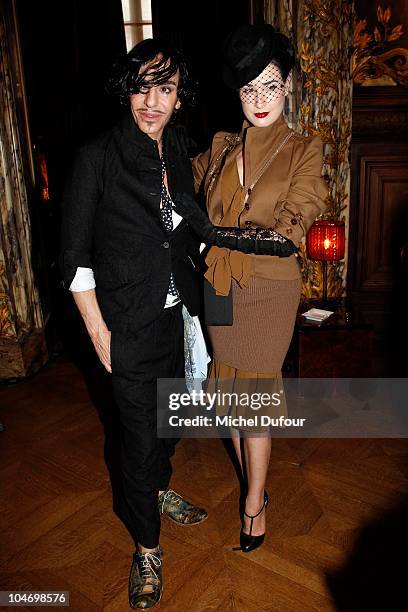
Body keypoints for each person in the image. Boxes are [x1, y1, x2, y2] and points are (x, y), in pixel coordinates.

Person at [60, 37, 301, 609]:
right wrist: (99, 333)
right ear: (127, 90)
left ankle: (161, 488)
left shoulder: (178, 150)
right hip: (126, 325)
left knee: (169, 425)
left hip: (181, 318)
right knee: (138, 438)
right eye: (142, 87)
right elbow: (72, 258)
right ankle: (147, 547)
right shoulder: (96, 157)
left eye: (164, 89)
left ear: (177, 97)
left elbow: (193, 220)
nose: (151, 101)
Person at [173, 24, 328, 554]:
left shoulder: (304, 149)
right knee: (230, 389)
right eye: (247, 89)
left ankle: (253, 504)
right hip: (217, 282)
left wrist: (219, 231)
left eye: (268, 85)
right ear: (236, 93)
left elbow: (293, 223)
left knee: (253, 396)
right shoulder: (220, 147)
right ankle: (253, 484)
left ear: (287, 85)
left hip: (267, 288)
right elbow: (178, 178)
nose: (259, 100)